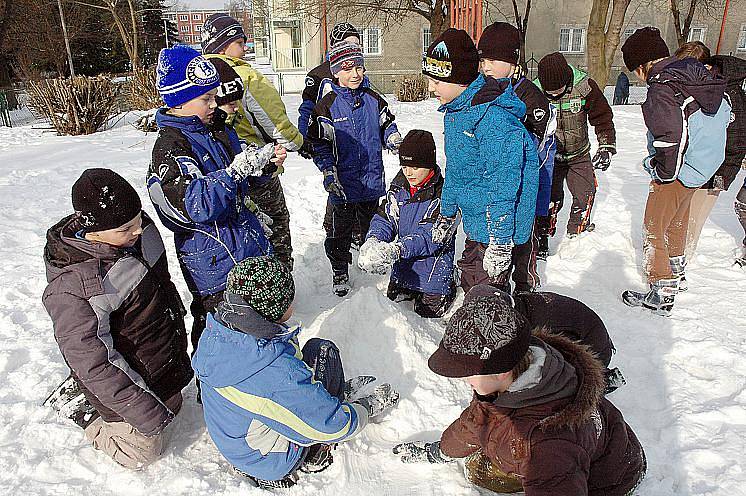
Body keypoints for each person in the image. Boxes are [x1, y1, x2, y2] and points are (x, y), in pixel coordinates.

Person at [392, 284, 646, 496]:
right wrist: (439, 452)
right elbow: (474, 423)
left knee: (485, 473)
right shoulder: (505, 378)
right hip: (590, 451)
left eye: (468, 373)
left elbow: (556, 481)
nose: (465, 380)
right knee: (484, 462)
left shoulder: (549, 444)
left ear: (500, 371)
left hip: (611, 479)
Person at [192, 256, 400, 489]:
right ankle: (314, 455)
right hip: (267, 457)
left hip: (236, 438)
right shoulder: (274, 373)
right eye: (289, 297)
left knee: (317, 351)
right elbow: (331, 425)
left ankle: (320, 401)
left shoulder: (222, 329)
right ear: (275, 307)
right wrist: (363, 410)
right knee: (324, 354)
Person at [42, 169, 193, 470]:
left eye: (138, 220)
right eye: (126, 228)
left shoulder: (137, 231)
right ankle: (81, 405)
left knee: (173, 408)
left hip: (157, 357)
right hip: (115, 373)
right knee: (145, 451)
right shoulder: (77, 289)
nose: (138, 230)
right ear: (93, 231)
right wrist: (142, 410)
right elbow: (94, 361)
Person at [148, 45, 281, 359]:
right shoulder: (171, 148)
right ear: (178, 100)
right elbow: (196, 204)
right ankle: (212, 386)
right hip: (214, 264)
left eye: (213, 96)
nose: (215, 103)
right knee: (218, 329)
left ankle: (258, 376)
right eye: (205, 99)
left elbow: (239, 180)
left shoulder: (216, 129)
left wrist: (260, 168)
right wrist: (235, 173)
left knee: (256, 321)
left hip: (242, 245)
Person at [620, 27, 731, 315]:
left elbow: (670, 135)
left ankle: (661, 290)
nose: (637, 78)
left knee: (654, 226)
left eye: (635, 71)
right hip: (702, 166)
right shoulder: (694, 75)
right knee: (677, 220)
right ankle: (676, 271)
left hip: (679, 169)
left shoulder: (664, 86)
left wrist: (664, 174)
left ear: (643, 65)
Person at [423, 28, 539, 295]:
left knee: (487, 292)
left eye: (436, 81)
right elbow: (457, 168)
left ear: (461, 80)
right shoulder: (456, 112)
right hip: (478, 218)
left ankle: (494, 331)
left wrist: (499, 240)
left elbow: (504, 183)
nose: (430, 88)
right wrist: (447, 213)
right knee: (471, 278)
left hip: (500, 222)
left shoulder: (493, 119)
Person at [201, 13, 301, 269]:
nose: (245, 47)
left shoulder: (199, 76)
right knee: (274, 220)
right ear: (223, 44)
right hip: (254, 163)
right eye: (239, 41)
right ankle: (279, 277)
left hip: (236, 166)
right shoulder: (242, 74)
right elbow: (272, 117)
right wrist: (297, 143)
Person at [307, 41, 402, 296]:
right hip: (343, 184)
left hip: (371, 180)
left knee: (373, 224)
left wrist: (392, 137)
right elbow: (320, 144)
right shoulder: (326, 106)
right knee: (340, 231)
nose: (355, 74)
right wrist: (328, 170)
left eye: (359, 67)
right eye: (348, 69)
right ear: (336, 71)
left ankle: (370, 255)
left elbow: (386, 125)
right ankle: (340, 268)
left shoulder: (373, 99)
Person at [478, 21, 556, 273]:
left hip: (523, 176)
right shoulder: (484, 88)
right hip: (494, 179)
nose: (486, 66)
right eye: (483, 60)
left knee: (523, 237)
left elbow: (541, 141)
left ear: (513, 63)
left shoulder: (530, 96)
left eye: (493, 60)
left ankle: (525, 283)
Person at [358, 130, 456, 317]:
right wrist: (373, 239)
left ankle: (449, 284)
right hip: (403, 268)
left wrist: (397, 250)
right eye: (404, 166)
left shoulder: (444, 194)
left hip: (432, 271)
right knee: (392, 309)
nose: (409, 173)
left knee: (426, 315)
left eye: (415, 167)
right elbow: (385, 218)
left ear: (429, 164)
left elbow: (430, 236)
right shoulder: (399, 187)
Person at [673, 41, 746, 264]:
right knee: (679, 217)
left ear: (703, 68)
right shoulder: (703, 84)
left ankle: (679, 264)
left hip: (716, 169)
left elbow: (736, 139)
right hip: (690, 164)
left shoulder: (726, 92)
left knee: (692, 220)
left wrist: (722, 176)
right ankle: (674, 257)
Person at [534, 52, 616, 239]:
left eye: (558, 90)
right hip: (549, 157)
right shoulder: (535, 91)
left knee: (585, 192)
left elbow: (602, 117)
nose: (554, 94)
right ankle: (543, 236)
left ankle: (576, 233)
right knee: (548, 199)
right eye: (550, 92)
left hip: (579, 154)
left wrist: (606, 146)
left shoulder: (584, 87)